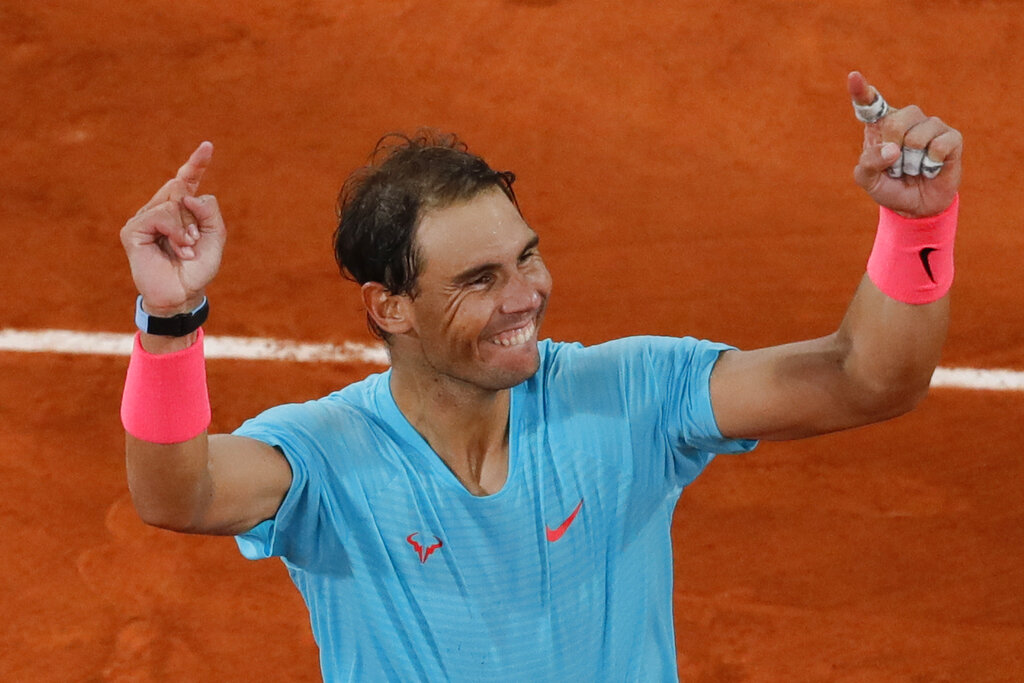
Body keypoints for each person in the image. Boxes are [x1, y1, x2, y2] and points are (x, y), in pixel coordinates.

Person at [118, 71, 962, 681]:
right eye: (479, 279)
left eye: (525, 256)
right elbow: (177, 494)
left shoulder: (630, 395)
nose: (526, 296)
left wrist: (915, 227)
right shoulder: (328, 458)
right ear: (391, 307)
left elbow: (867, 377)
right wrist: (168, 323)